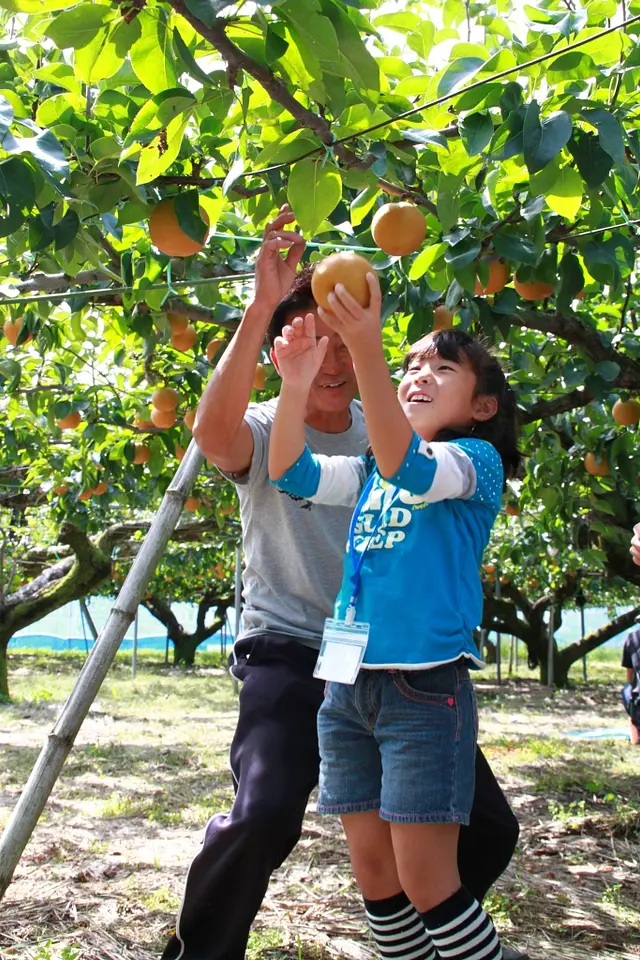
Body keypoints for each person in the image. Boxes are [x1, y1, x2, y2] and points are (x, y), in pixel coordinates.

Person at [161, 205, 521, 960]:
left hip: (401, 662)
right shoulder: (272, 422)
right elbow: (231, 446)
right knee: (263, 812)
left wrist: (377, 364)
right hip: (296, 650)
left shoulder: (397, 430)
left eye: (344, 343)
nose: (330, 360)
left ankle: (436, 933)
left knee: (485, 830)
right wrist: (263, 311)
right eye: (312, 341)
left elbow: (407, 461)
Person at [268, 273, 521, 960]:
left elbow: (412, 467)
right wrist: (294, 384)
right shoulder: (373, 468)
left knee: (426, 878)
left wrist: (366, 349)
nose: (418, 377)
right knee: (376, 877)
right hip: (348, 688)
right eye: (409, 366)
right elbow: (292, 474)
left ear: (483, 405)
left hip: (422, 691)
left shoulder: (475, 463)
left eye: (441, 368)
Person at [621, 626, 640, 745]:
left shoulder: (633, 638)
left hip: (638, 696)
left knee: (627, 691)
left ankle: (635, 734)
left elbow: (629, 677)